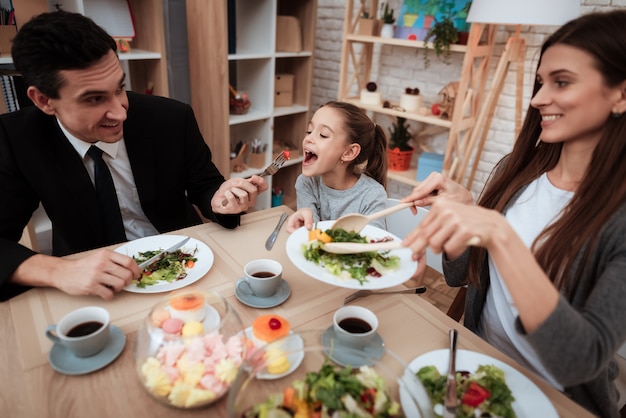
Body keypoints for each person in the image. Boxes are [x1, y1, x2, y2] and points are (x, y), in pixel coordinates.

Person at [401, 10, 626, 417]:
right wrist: (464, 212)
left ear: (620, 95)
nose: (538, 98)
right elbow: (457, 276)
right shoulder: (516, 170)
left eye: (561, 81)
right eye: (540, 82)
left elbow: (579, 359)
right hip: (474, 370)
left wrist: (499, 234)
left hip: (558, 402)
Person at [0, 11, 267, 301]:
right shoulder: (17, 139)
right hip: (92, 283)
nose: (120, 112)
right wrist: (58, 271)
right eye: (94, 99)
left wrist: (221, 199)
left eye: (120, 88)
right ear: (43, 100)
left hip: (185, 263)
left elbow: (205, 186)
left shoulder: (171, 118)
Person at [285, 101, 389, 232]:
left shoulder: (372, 195)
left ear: (349, 152)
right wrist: (305, 225)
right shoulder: (307, 183)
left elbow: (372, 246)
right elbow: (312, 236)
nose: (309, 138)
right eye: (309, 131)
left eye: (323, 134)